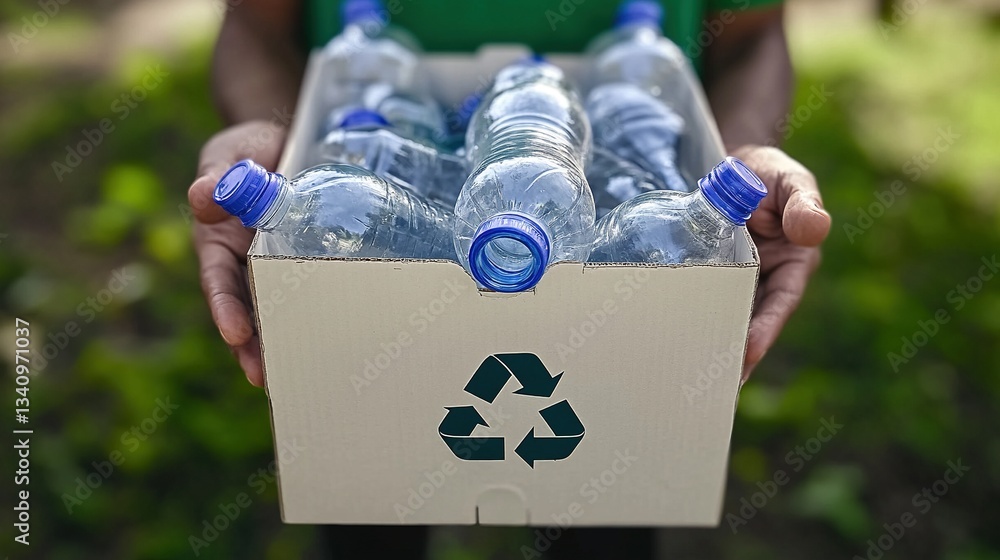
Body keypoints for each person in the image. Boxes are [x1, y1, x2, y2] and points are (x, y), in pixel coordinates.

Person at [186, 0, 831, 557]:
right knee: (367, 500)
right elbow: (252, 22)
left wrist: (732, 146)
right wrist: (276, 129)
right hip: (402, 251)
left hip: (606, 265)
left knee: (610, 511)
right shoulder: (344, 199)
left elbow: (752, 32)